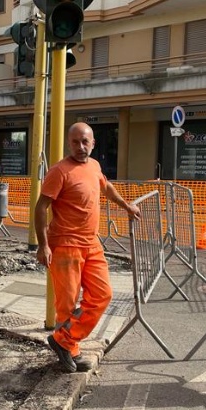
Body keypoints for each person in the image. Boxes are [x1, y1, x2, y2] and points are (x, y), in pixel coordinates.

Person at [35, 122, 142, 373]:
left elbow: (107, 187)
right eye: (75, 142)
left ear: (93, 143)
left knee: (102, 294)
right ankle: (70, 350)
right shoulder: (59, 171)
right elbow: (41, 207)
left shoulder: (94, 166)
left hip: (92, 243)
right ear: (68, 143)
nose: (80, 147)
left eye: (85, 142)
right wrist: (43, 245)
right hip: (65, 245)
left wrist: (127, 206)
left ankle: (63, 340)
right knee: (67, 304)